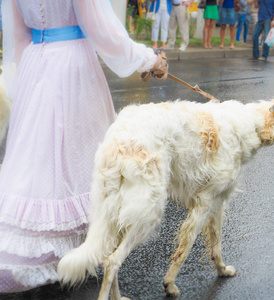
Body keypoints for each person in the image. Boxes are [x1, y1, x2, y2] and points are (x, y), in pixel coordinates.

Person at [0, 0, 167, 293]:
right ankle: (80, 244)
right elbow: (102, 29)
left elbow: (17, 35)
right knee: (83, 150)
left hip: (35, 63)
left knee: (38, 155)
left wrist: (23, 80)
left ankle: (46, 244)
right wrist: (149, 59)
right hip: (72, 66)